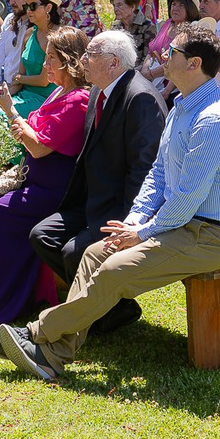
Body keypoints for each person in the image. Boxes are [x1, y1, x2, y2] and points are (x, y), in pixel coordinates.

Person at [0, 21, 220, 384]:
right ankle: (53, 355)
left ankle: (36, 334)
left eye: (173, 52)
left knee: (112, 270)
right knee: (96, 252)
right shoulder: (183, 106)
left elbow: (187, 197)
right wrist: (136, 219)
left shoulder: (212, 120)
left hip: (212, 234)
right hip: (182, 225)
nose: (163, 54)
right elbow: (157, 173)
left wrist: (142, 232)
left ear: (194, 64)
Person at [0, 28, 94, 326]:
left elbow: (39, 147)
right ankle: (3, 292)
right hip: (35, 182)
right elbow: (33, 129)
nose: (44, 66)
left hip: (52, 192)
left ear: (68, 62)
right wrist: (13, 114)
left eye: (51, 59)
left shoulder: (78, 100)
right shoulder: (59, 91)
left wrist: (8, 111)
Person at [27, 30, 166, 326]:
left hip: (120, 208)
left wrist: (130, 222)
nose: (84, 61)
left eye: (91, 55)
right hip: (93, 200)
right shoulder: (98, 91)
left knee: (72, 251)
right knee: (43, 235)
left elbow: (145, 170)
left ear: (113, 62)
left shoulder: (139, 97)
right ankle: (111, 307)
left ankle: (103, 313)